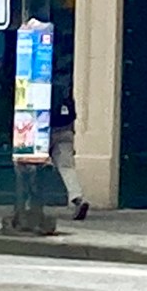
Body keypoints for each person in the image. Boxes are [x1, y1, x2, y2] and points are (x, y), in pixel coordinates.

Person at [50, 80, 89, 221]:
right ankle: (78, 198)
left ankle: (30, 203)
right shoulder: (64, 87)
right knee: (67, 167)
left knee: (31, 164)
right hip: (66, 130)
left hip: (42, 129)